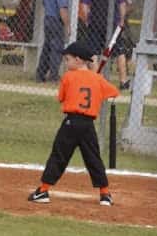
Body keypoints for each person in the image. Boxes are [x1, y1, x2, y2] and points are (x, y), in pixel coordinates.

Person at [28, 39, 120, 207]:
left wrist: (89, 78)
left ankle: (43, 191)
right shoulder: (97, 79)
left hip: (71, 123)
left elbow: (61, 98)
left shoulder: (68, 77)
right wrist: (95, 77)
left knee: (59, 155)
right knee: (93, 158)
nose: (66, 62)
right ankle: (105, 194)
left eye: (68, 59)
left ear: (78, 60)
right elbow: (114, 92)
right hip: (88, 125)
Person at [80, 0, 132, 90]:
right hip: (113, 21)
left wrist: (86, 20)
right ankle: (123, 81)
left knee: (93, 52)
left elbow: (84, 5)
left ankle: (96, 79)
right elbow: (122, 3)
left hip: (96, 21)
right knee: (119, 50)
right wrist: (121, 20)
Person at [37, 0, 70, 83]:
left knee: (47, 47)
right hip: (56, 21)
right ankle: (54, 75)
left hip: (48, 19)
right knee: (56, 48)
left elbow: (44, 3)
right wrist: (67, 25)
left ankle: (40, 74)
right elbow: (63, 11)